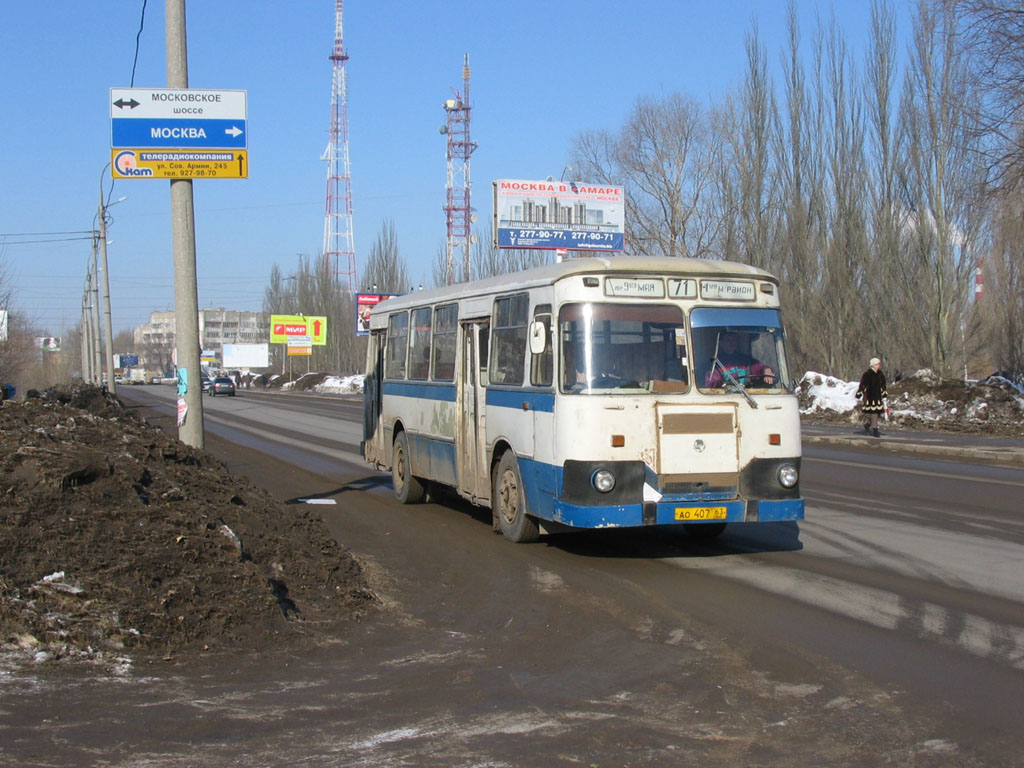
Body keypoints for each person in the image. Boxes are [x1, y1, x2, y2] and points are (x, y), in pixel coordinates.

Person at [705, 331, 776, 388]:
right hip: (726, 397)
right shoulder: (715, 363)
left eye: (734, 340)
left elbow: (760, 367)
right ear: (721, 343)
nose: (731, 343)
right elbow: (711, 385)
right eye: (728, 340)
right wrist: (723, 384)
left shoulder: (745, 360)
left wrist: (767, 370)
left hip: (748, 395)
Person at [856, 356, 888, 437]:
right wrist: (859, 393)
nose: (879, 366)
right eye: (877, 364)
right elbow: (863, 384)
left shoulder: (880, 374)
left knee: (878, 413)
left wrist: (884, 393)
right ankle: (875, 430)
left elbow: (883, 385)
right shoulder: (867, 374)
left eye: (879, 364)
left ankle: (868, 424)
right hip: (870, 397)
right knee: (874, 412)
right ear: (873, 365)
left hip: (878, 397)